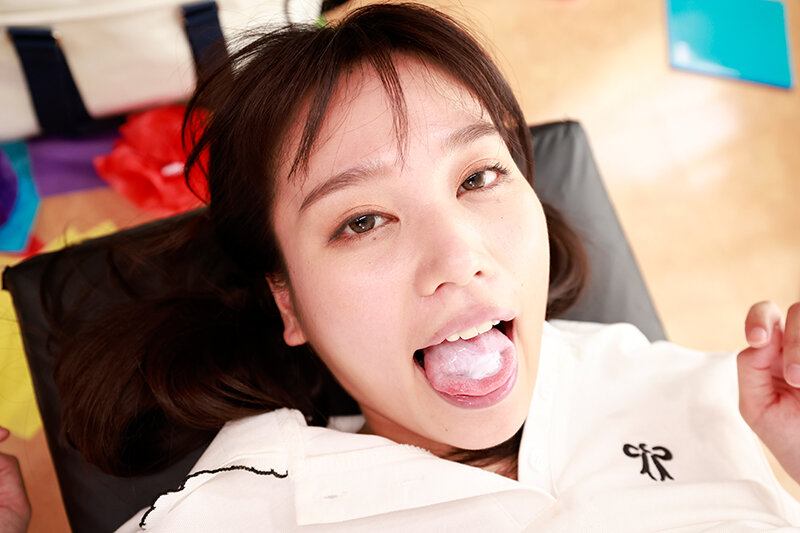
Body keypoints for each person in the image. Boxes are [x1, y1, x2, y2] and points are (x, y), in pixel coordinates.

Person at [16, 2, 800, 531]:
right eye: (362, 221)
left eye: (479, 176)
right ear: (288, 302)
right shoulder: (239, 509)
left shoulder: (703, 391)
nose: (460, 257)